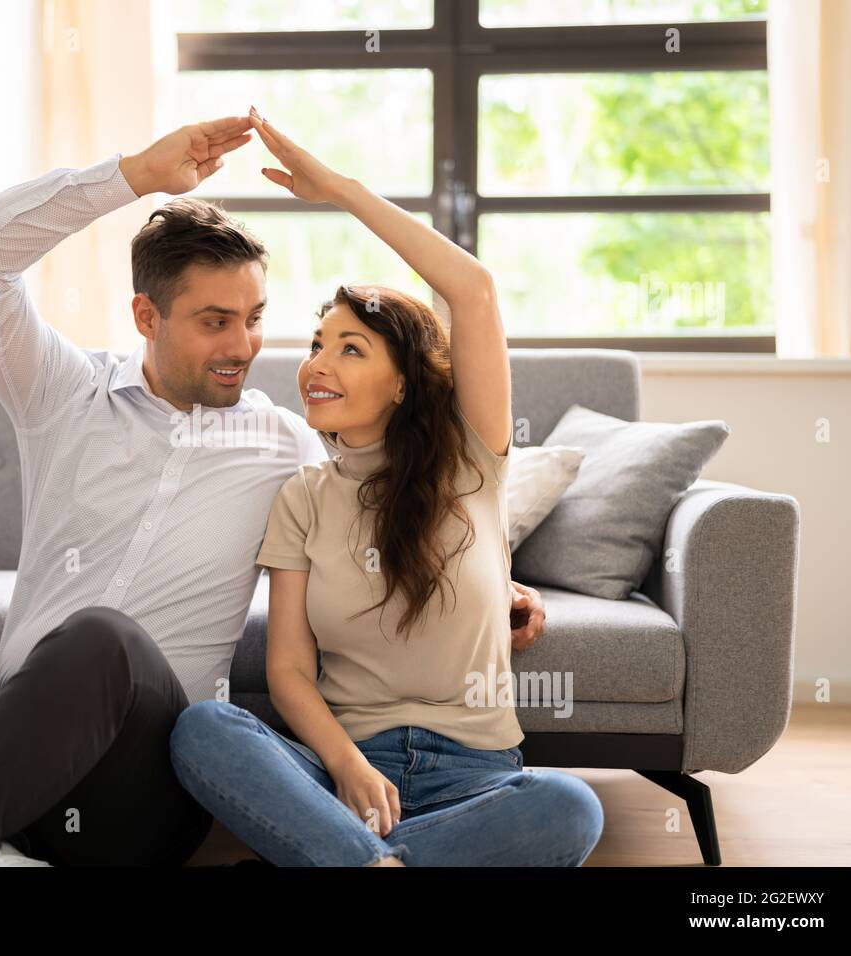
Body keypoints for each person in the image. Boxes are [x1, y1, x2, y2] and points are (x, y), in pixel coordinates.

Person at [0, 114, 548, 867]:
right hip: (12, 731)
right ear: (144, 314)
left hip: (142, 778)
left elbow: (393, 502)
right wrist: (131, 176)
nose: (243, 346)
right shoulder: (61, 393)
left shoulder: (287, 445)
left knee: (103, 637)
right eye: (213, 321)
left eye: (255, 317)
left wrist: (492, 581)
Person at [169, 108, 603, 866]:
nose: (317, 363)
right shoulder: (303, 495)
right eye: (314, 345)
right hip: (345, 772)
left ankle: (361, 860)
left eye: (350, 347)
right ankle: (372, 857)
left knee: (569, 807)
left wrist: (340, 191)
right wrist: (345, 765)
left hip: (477, 776)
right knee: (204, 730)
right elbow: (289, 671)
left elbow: (472, 288)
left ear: (402, 383)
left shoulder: (471, 463)